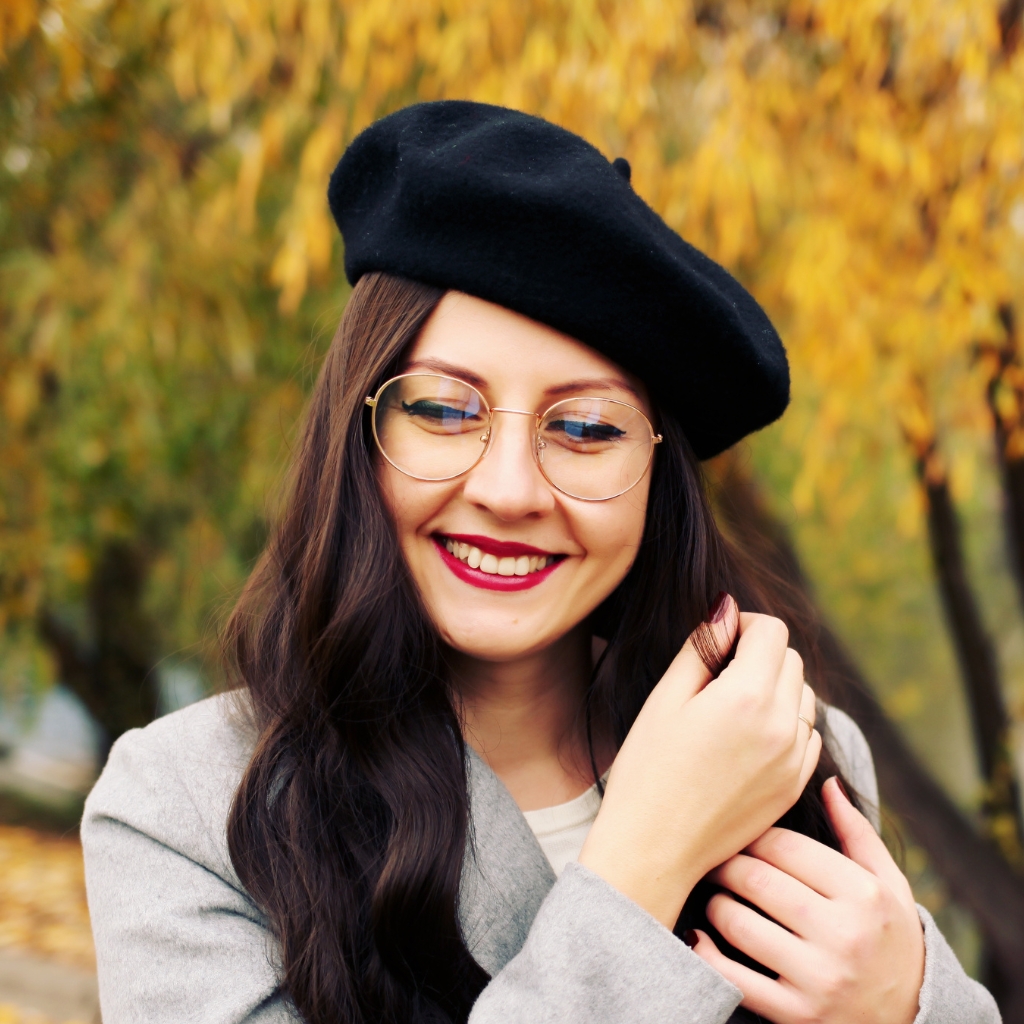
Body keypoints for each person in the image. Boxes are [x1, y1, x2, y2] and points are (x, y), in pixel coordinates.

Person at [81, 102, 999, 1024]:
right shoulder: (187, 806)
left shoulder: (788, 752)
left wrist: (908, 1000)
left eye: (587, 428)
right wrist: (643, 862)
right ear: (359, 434)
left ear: (656, 477)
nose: (510, 489)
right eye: (443, 411)